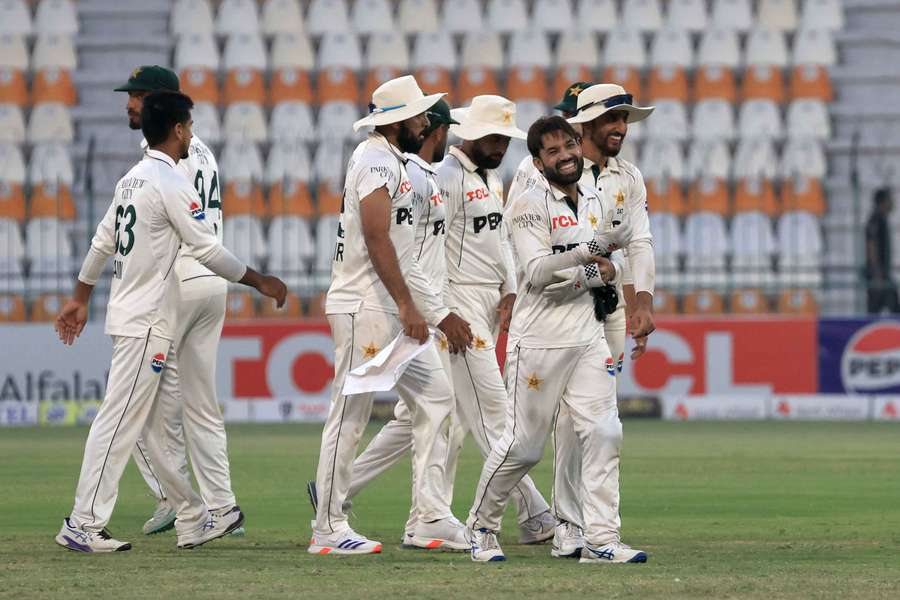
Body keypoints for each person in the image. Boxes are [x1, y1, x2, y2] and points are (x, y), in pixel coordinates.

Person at [53, 91, 287, 552]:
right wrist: (260, 281)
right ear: (178, 129)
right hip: (147, 321)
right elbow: (207, 248)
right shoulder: (171, 180)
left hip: (134, 315)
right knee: (118, 423)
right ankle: (82, 522)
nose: (193, 133)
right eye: (190, 125)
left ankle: (192, 515)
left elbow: (103, 239)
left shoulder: (132, 179)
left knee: (142, 425)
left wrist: (81, 295)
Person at [466, 116, 646, 564]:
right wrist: (593, 258)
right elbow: (538, 273)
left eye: (569, 145)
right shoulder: (529, 203)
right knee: (523, 448)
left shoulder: (596, 198)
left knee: (605, 432)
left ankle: (601, 540)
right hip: (538, 342)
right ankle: (481, 526)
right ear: (537, 161)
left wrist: (613, 268)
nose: (565, 155)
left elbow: (613, 265)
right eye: (553, 151)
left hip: (587, 336)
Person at [309, 75, 472, 555]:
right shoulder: (375, 160)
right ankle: (327, 527)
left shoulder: (391, 161)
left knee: (438, 400)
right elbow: (378, 238)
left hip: (386, 307)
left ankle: (427, 517)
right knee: (350, 415)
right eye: (420, 115)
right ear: (399, 121)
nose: (426, 122)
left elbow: (398, 246)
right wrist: (409, 305)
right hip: (367, 307)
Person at [112, 65, 242, 537]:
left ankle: (180, 502)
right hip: (211, 284)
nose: (131, 104)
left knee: (138, 405)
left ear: (162, 104)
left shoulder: (159, 153)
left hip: (178, 284)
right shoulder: (200, 148)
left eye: (139, 96)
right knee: (201, 405)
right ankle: (222, 505)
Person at [436, 95, 558, 544]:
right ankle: (534, 514)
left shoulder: (489, 178)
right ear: (467, 131)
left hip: (488, 303)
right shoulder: (445, 179)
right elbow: (429, 252)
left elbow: (502, 241)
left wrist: (509, 289)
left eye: (504, 138)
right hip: (458, 306)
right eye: (491, 136)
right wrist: (443, 311)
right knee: (495, 417)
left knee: (439, 418)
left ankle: (338, 491)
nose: (499, 145)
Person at [864, 188, 899, 314]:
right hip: (878, 275)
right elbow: (871, 245)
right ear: (882, 202)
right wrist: (876, 272)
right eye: (889, 200)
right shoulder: (875, 220)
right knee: (876, 308)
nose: (892, 203)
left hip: (883, 274)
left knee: (891, 305)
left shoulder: (882, 219)